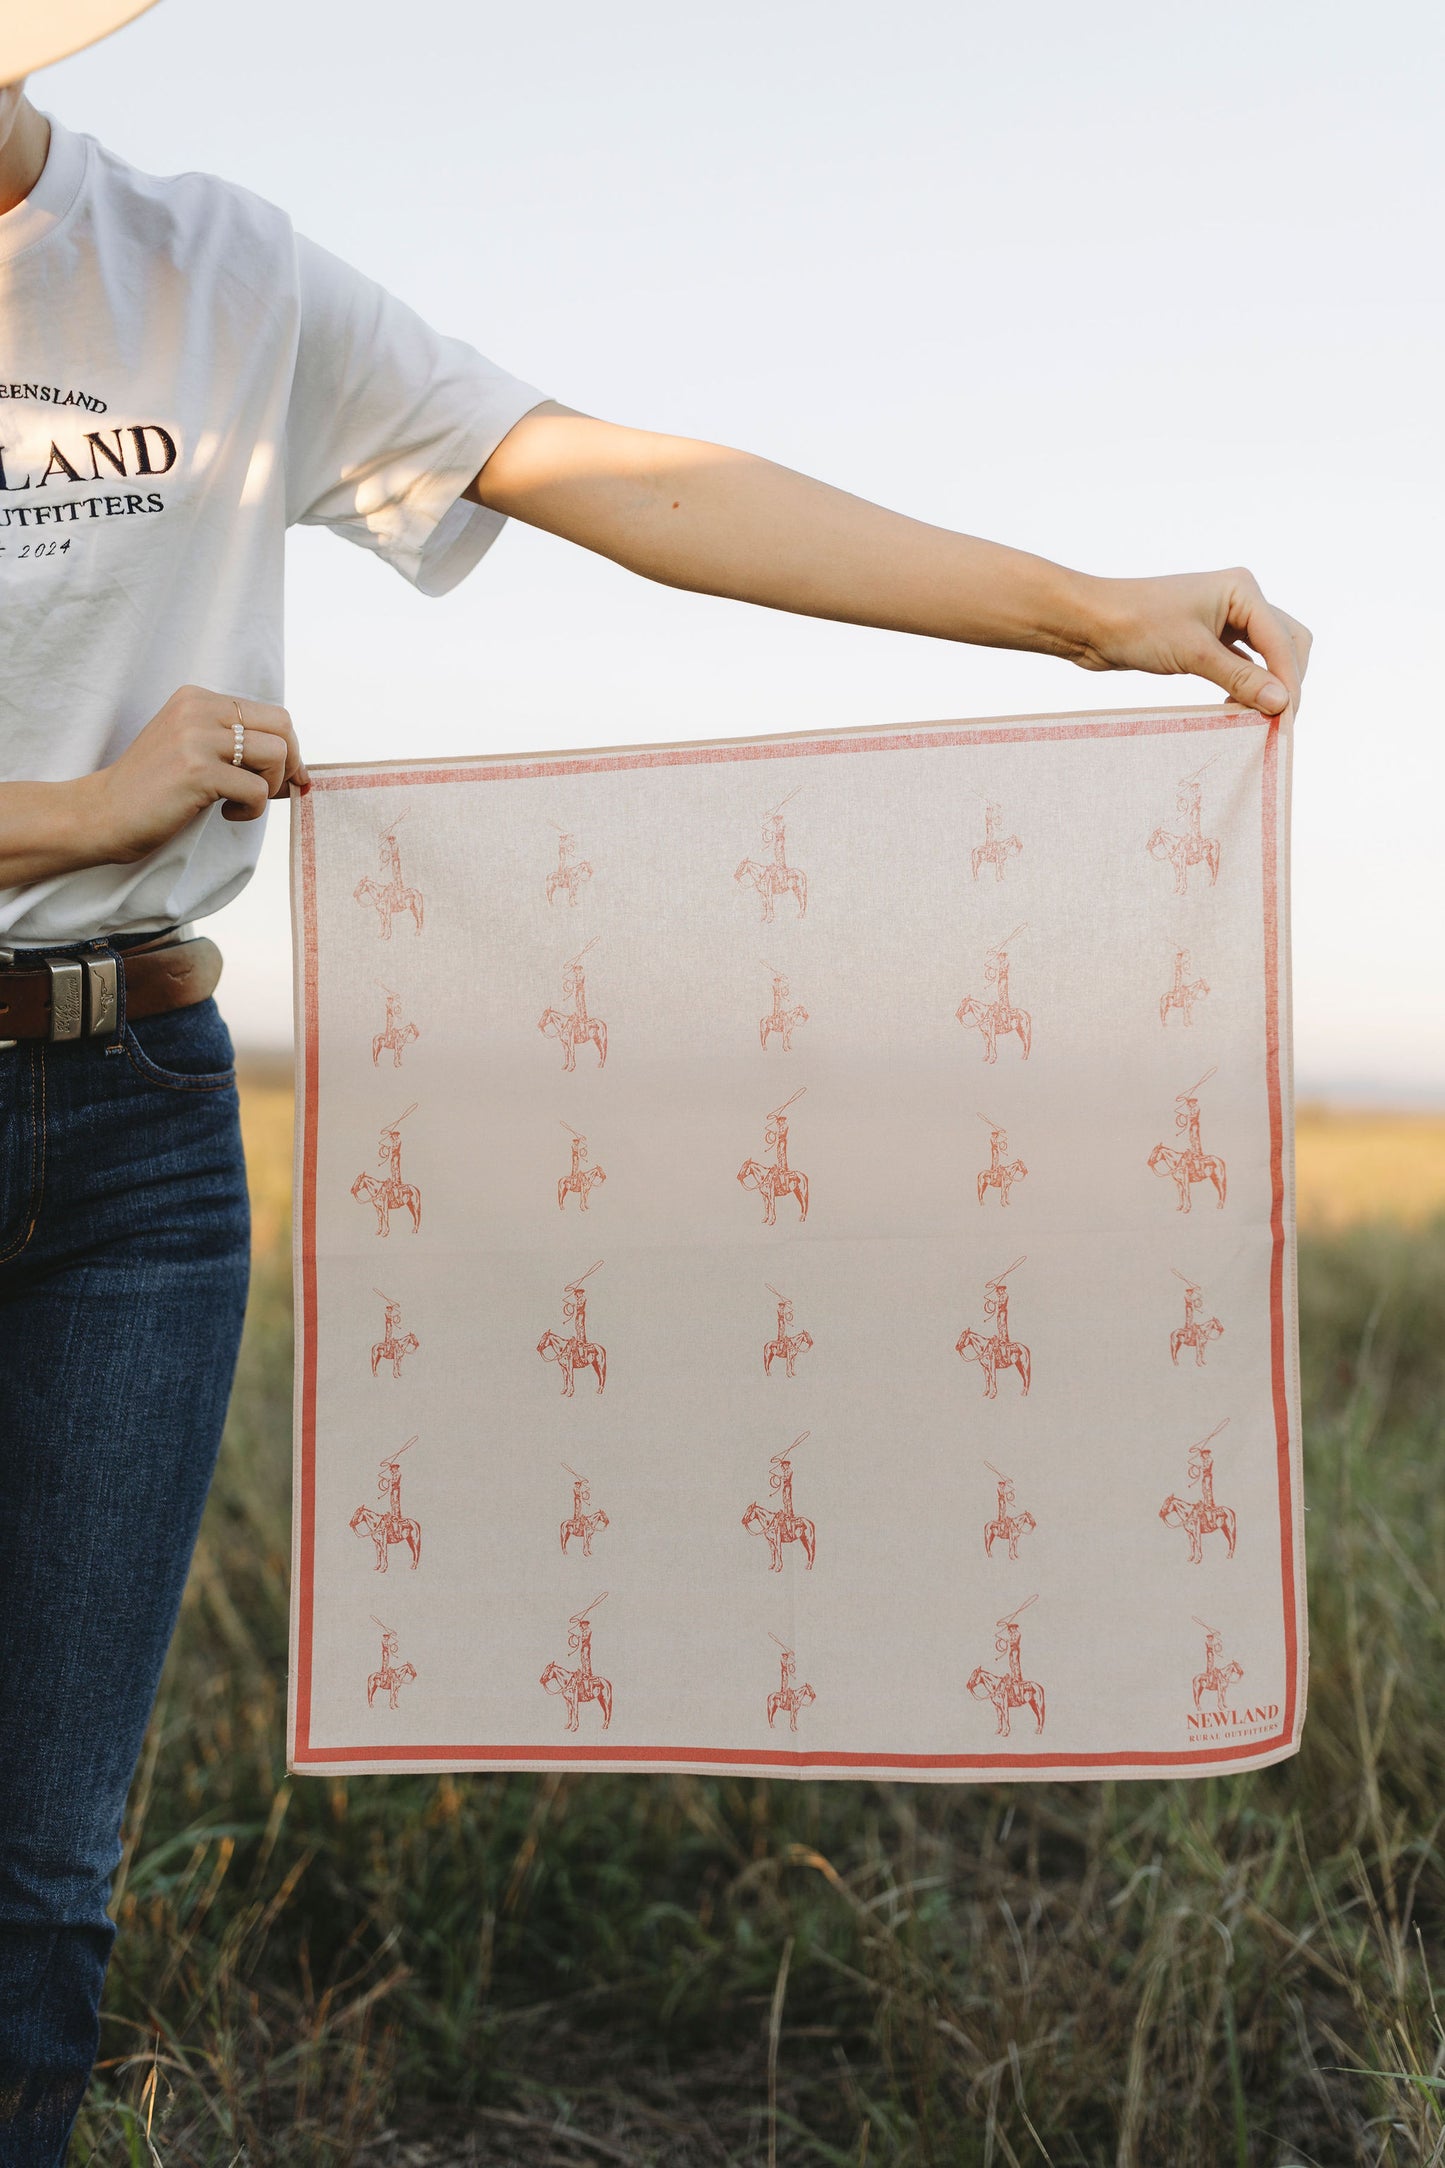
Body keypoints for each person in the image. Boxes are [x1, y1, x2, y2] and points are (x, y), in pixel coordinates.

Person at [0, 3, 1311, 2159]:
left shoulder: (213, 269)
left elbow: (621, 476)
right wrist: (78, 806)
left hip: (136, 1128)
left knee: (41, 1884)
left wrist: (1076, 613)